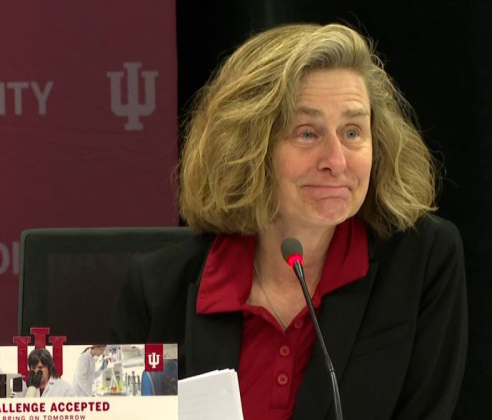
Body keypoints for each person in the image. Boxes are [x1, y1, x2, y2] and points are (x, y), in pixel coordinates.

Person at [109, 22, 467, 420]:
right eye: (307, 133)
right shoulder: (158, 289)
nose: (336, 160)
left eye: (352, 131)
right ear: (248, 147)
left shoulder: (423, 261)